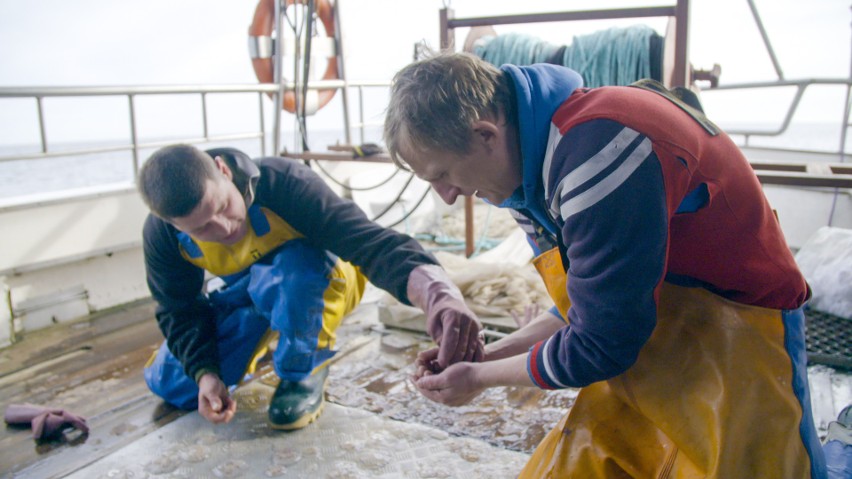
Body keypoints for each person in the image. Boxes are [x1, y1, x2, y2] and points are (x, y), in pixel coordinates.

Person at [384, 52, 827, 478]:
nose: (446, 195)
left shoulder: (597, 149)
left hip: (739, 336)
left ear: (485, 135)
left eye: (441, 174)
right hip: (657, 332)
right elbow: (585, 307)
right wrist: (488, 354)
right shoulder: (523, 174)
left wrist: (478, 378)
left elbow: (601, 345)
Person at [137, 144, 483, 429]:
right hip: (248, 293)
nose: (224, 227)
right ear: (171, 223)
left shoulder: (284, 182)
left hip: (315, 280)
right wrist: (205, 373)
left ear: (223, 170)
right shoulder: (162, 236)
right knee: (173, 386)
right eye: (202, 229)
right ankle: (261, 342)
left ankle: (303, 366)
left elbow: (370, 244)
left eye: (223, 207)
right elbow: (179, 308)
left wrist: (440, 297)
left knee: (294, 272)